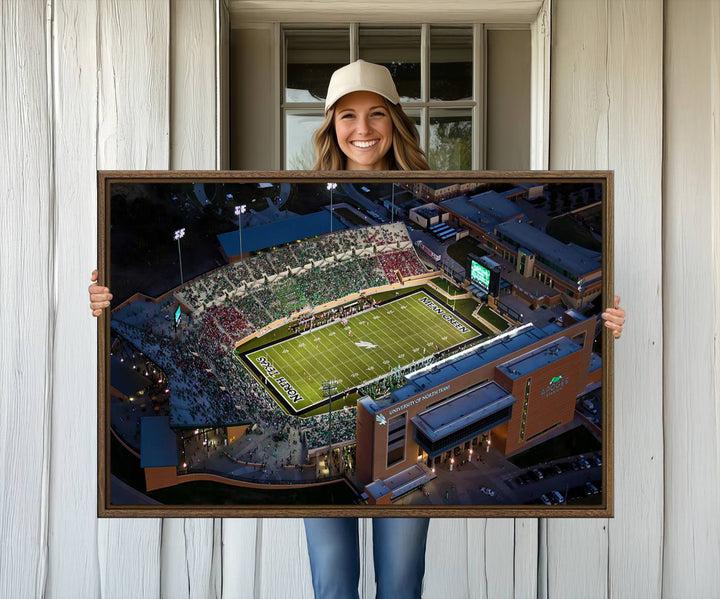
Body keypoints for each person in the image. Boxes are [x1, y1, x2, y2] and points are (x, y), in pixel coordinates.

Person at [88, 60, 626, 599]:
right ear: (330, 125)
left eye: (376, 115)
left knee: (400, 580)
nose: (363, 130)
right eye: (348, 115)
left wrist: (607, 319)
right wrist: (102, 297)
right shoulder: (307, 184)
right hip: (354, 443)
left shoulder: (424, 184)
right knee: (333, 581)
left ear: (396, 121)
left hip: (395, 446)